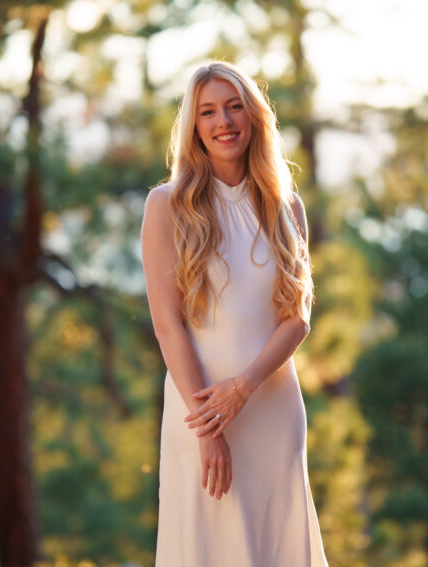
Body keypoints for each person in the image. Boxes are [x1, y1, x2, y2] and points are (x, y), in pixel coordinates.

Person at [140, 60, 329, 566]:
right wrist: (210, 427)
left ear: (253, 116)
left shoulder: (287, 205)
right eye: (208, 112)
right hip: (198, 413)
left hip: (272, 409)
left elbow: (298, 317)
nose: (223, 121)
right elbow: (167, 325)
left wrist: (244, 387)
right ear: (194, 127)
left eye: (233, 106)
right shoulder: (166, 206)